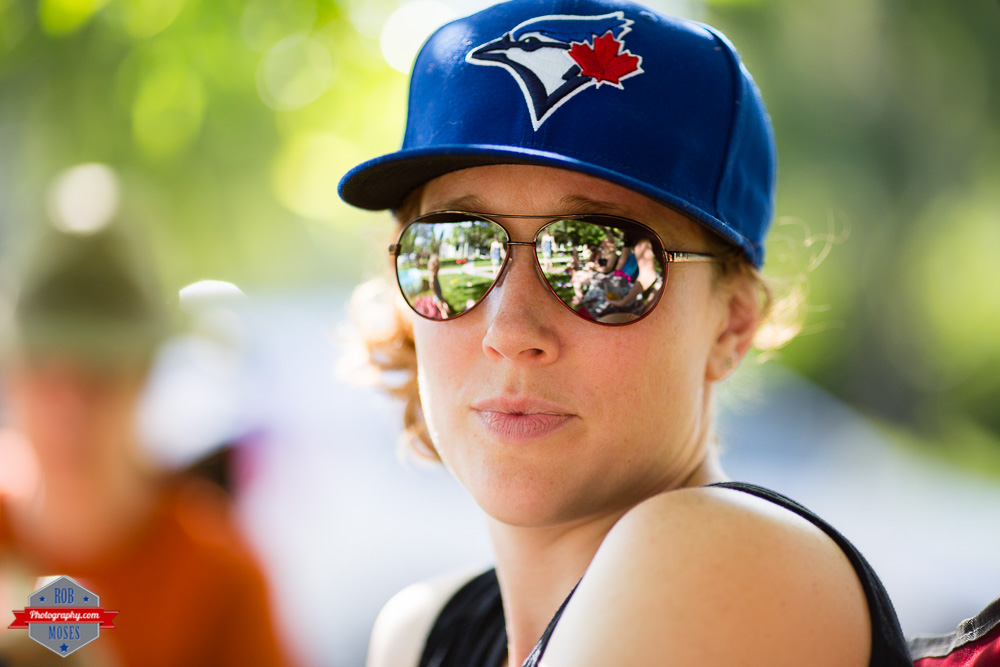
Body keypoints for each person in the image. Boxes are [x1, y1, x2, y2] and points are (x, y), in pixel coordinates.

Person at [339, 1, 911, 665]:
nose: (511, 328)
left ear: (732, 321)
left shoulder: (724, 558)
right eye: (457, 249)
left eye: (601, 258)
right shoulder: (422, 633)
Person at [0, 226, 291, 666]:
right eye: (45, 371)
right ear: (12, 375)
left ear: (145, 377)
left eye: (99, 376)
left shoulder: (219, 575)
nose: (70, 410)